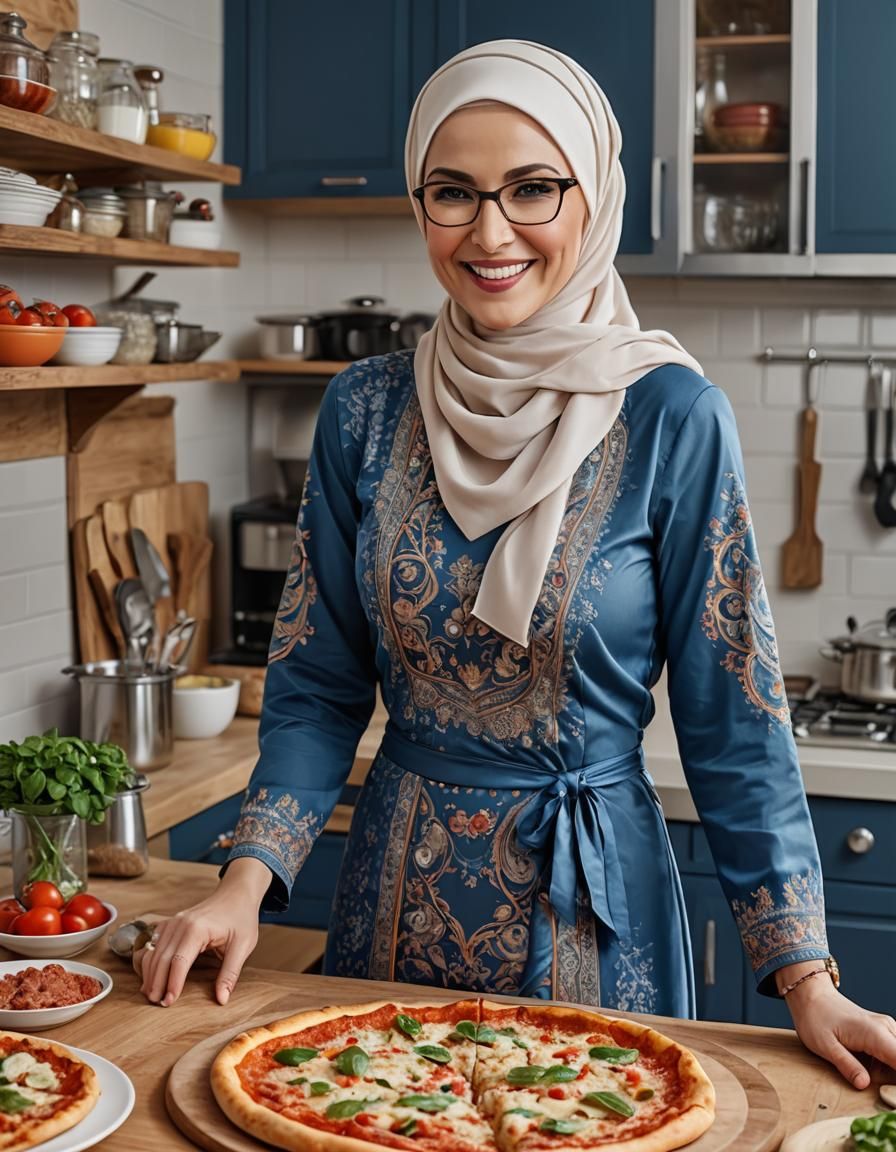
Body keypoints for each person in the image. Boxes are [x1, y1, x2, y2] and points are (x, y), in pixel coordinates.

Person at [140, 40, 896, 1088]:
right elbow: (316, 685)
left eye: (532, 189)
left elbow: (736, 720)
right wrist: (243, 881)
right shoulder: (362, 410)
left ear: (594, 197)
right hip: (390, 905)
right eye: (452, 194)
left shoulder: (671, 415)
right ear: (418, 206)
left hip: (593, 911)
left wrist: (804, 976)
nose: (488, 233)